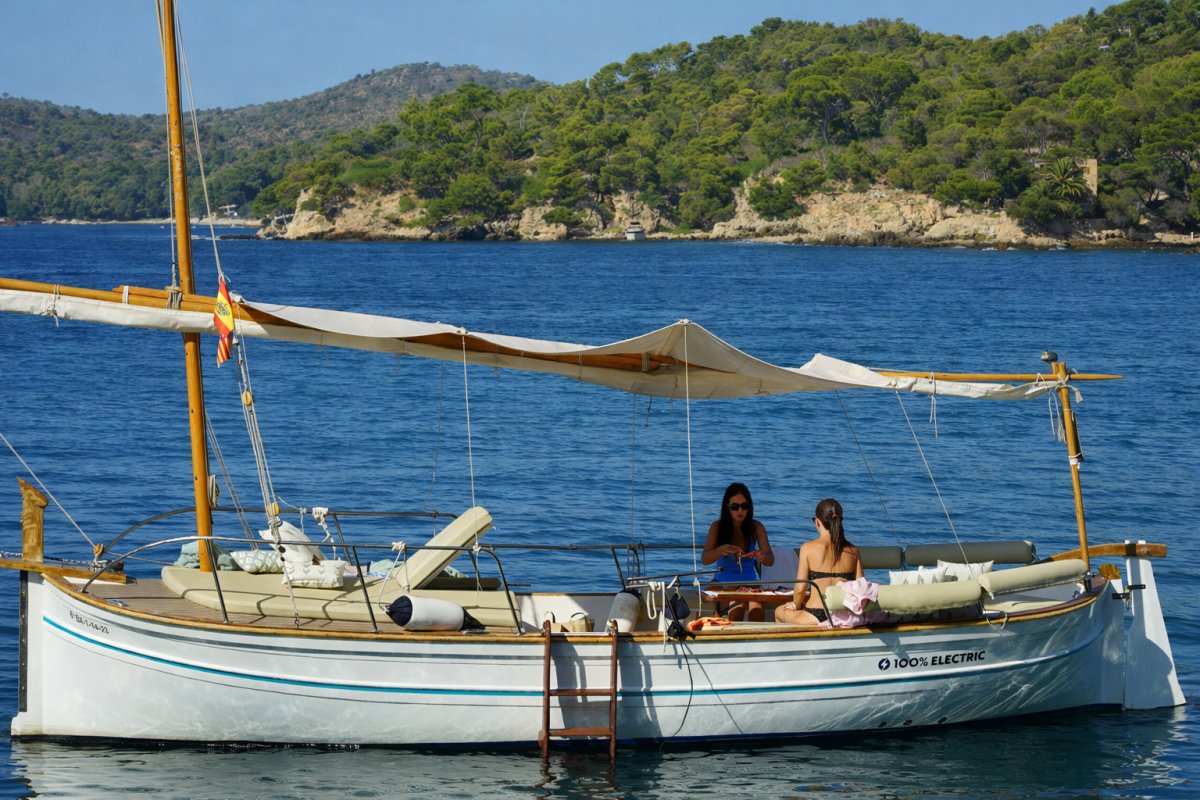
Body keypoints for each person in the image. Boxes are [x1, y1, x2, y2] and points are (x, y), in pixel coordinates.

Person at [775, 498, 863, 626]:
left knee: (778, 611)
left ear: (817, 522)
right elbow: (861, 587)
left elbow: (800, 589)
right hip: (844, 615)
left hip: (816, 615)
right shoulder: (853, 551)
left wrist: (795, 605)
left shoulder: (808, 548)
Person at [702, 482, 774, 621]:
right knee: (737, 606)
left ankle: (756, 640)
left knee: (757, 610)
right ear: (727, 507)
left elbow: (770, 560)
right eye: (735, 507)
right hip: (723, 583)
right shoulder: (717, 527)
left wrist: (762, 556)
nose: (740, 511)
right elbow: (705, 559)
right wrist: (719, 550)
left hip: (749, 584)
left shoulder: (756, 527)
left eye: (744, 506)